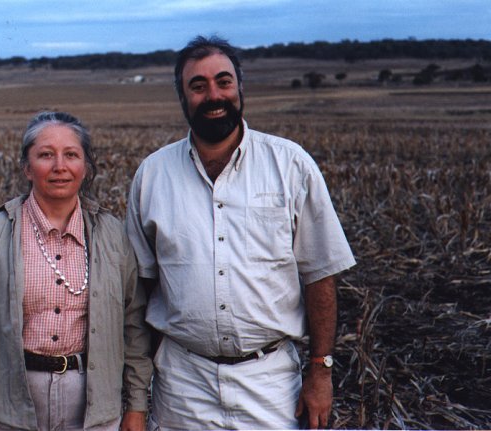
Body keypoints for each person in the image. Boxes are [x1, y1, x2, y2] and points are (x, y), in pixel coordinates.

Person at [126, 36, 356, 430]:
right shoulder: (152, 175)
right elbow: (140, 289)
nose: (214, 95)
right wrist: (136, 393)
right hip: (182, 383)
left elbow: (320, 274)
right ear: (183, 98)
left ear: (240, 87)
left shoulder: (290, 165)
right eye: (198, 86)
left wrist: (320, 371)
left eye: (224, 81)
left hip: (269, 382)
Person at [0, 111, 152, 431]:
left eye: (71, 154)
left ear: (85, 167)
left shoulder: (112, 235)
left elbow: (134, 325)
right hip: (11, 408)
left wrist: (137, 405)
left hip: (96, 409)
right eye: (45, 155)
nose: (60, 166)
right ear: (27, 168)